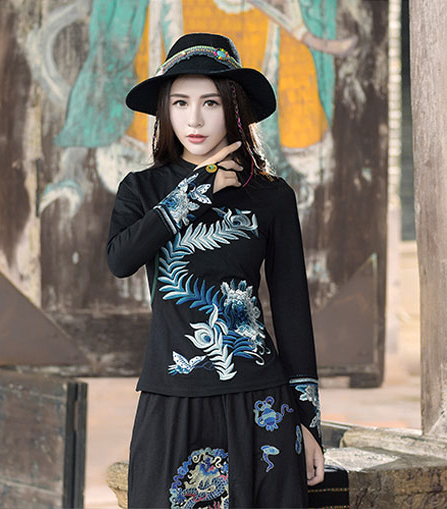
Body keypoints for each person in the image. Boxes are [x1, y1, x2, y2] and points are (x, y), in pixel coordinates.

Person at [106, 32, 325, 508]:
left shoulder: (271, 196)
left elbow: (292, 310)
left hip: (261, 403)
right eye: (180, 103)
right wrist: (196, 191)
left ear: (233, 108)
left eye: (210, 103)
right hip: (172, 397)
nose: (195, 119)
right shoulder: (143, 190)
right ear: (165, 111)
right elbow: (120, 260)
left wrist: (308, 422)